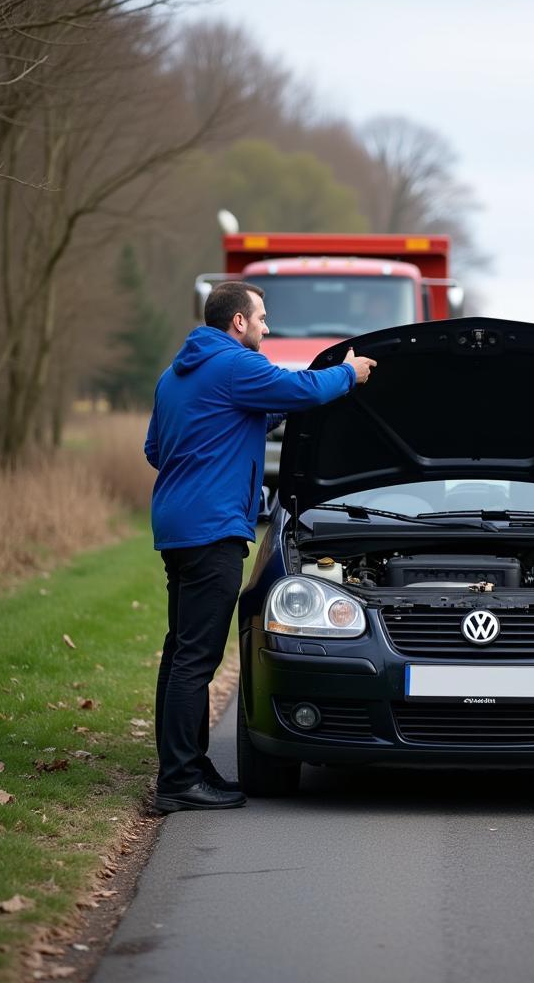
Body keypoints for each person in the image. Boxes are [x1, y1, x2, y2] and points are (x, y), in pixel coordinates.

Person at [144, 281, 376, 812]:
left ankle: (187, 765)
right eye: (264, 318)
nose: (269, 328)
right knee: (195, 659)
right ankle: (179, 780)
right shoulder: (234, 366)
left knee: (181, 651)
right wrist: (350, 373)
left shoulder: (175, 375)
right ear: (239, 323)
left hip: (178, 526)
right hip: (212, 529)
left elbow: (156, 449)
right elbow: (302, 391)